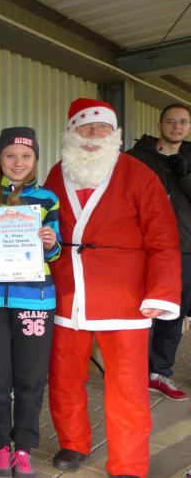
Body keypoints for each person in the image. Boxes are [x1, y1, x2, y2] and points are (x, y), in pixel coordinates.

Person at [45, 98, 181, 478]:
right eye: (86, 127)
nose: (94, 134)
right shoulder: (57, 173)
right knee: (64, 376)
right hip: (67, 294)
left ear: (114, 134)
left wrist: (161, 291)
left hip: (126, 298)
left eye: (102, 127)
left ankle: (128, 463)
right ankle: (72, 441)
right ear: (71, 132)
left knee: (127, 386)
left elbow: (163, 237)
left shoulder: (139, 174)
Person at [0, 127, 61, 478]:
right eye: (10, 156)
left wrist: (50, 242)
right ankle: (2, 447)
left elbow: (57, 248)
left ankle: (24, 449)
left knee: (31, 379)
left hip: (35, 299)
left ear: (35, 160)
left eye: (26, 156)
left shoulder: (47, 199)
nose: (18, 163)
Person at [126, 103, 191, 401]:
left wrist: (184, 175)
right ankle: (132, 372)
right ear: (160, 125)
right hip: (143, 250)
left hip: (184, 248)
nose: (176, 127)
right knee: (140, 313)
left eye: (183, 122)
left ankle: (159, 372)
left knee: (172, 315)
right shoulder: (135, 158)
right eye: (171, 121)